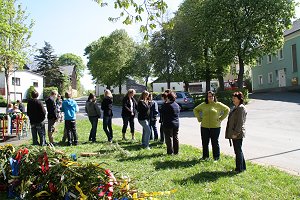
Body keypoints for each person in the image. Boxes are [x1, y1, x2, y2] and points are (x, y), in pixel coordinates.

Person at [193, 91, 230, 161]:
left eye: (212, 96)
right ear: (207, 97)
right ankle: (205, 157)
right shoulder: (203, 104)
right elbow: (195, 110)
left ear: (214, 97)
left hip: (215, 127)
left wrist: (221, 118)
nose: (211, 98)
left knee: (215, 142)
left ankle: (216, 157)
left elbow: (227, 109)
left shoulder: (218, 104)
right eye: (209, 96)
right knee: (205, 142)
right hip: (204, 127)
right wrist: (199, 118)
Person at [225, 91, 247, 173]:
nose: (233, 99)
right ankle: (242, 167)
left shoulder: (241, 108)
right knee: (238, 150)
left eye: (234, 98)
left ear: (239, 99)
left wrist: (235, 133)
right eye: (233, 98)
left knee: (238, 151)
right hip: (235, 133)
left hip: (238, 133)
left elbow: (240, 122)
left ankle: (239, 169)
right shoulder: (236, 107)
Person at [160, 91, 180, 155]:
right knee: (175, 138)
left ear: (168, 98)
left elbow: (162, 112)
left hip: (168, 124)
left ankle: (170, 152)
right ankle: (176, 152)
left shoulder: (166, 105)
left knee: (168, 138)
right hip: (176, 124)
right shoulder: (176, 105)